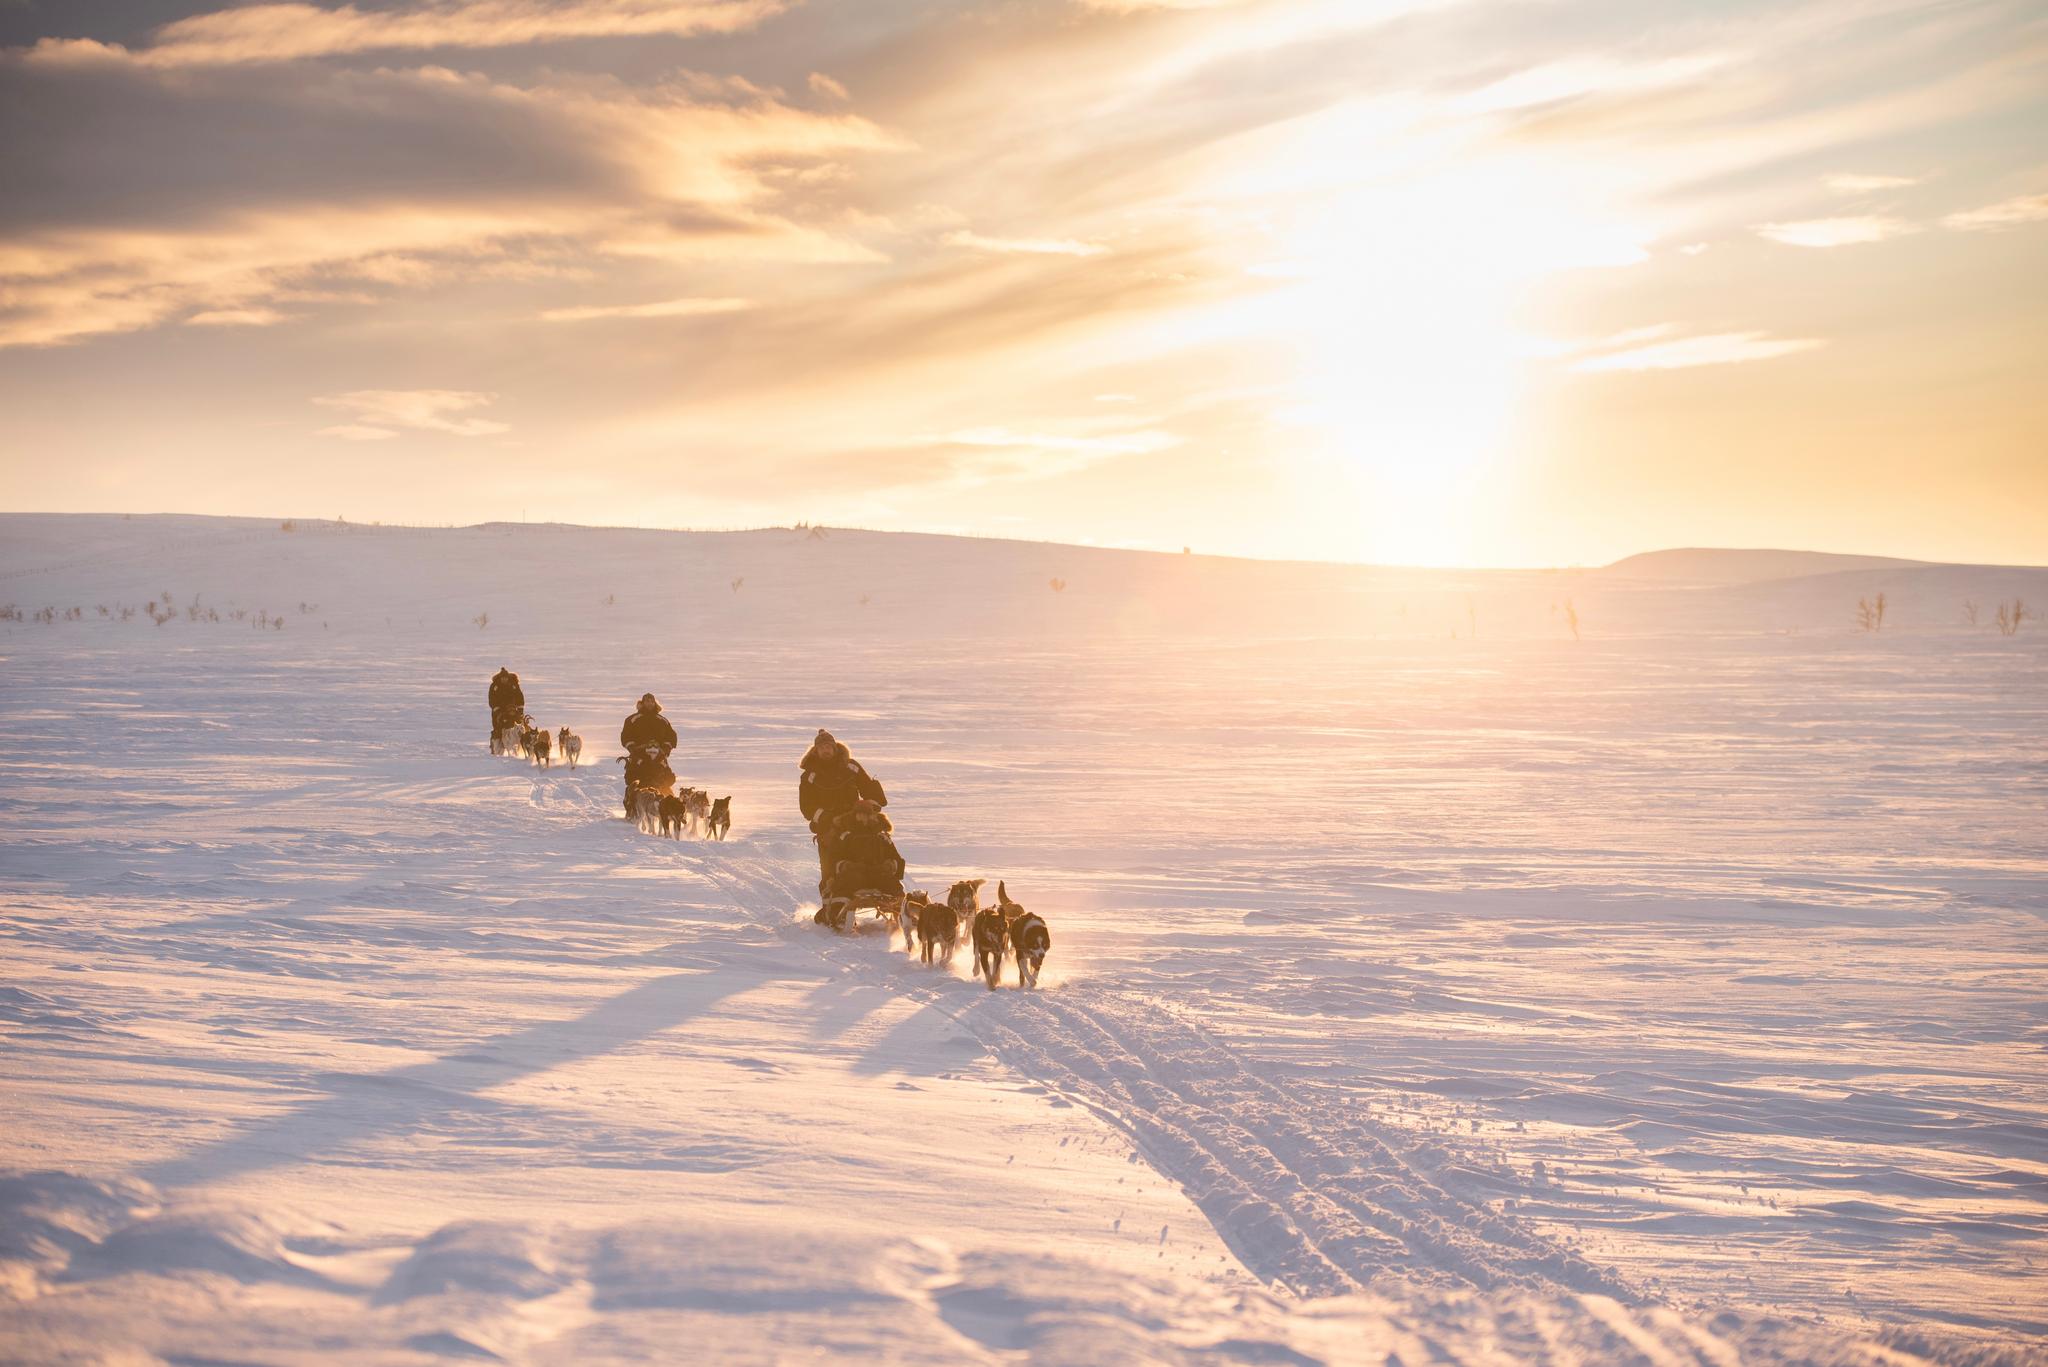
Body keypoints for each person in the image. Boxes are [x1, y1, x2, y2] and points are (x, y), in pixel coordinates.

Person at [799, 730, 888, 883]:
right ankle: (832, 902)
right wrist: (829, 819)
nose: (825, 750)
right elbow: (807, 807)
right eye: (822, 748)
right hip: (828, 828)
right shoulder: (809, 776)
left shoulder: (851, 767)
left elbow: (869, 789)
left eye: (828, 747)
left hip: (856, 822)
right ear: (816, 751)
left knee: (878, 849)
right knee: (830, 870)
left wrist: (870, 807)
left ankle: (887, 889)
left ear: (835, 748)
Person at [619, 693, 679, 814]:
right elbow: (626, 736)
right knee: (634, 781)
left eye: (651, 701)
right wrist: (633, 748)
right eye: (647, 701)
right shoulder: (632, 719)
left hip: (658, 755)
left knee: (666, 781)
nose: (649, 703)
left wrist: (666, 749)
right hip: (639, 755)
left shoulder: (662, 720)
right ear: (642, 703)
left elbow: (671, 736)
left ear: (655, 703)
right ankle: (632, 809)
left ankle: (672, 810)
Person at [487, 667, 524, 743]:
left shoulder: (514, 684)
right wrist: (497, 709)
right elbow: (492, 698)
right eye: (502, 678)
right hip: (499, 710)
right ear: (500, 678)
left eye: (506, 678)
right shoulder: (494, 686)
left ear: (508, 677)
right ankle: (496, 743)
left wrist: (520, 709)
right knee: (498, 727)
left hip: (512, 709)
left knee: (519, 724)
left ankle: (521, 741)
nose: (504, 679)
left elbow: (519, 696)